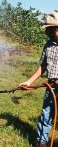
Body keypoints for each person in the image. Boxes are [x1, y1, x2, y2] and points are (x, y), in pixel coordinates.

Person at [19, 12, 58, 147]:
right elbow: (42, 66)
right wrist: (29, 82)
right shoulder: (48, 44)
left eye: (48, 29)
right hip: (51, 86)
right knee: (46, 114)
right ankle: (41, 142)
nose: (46, 32)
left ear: (56, 29)